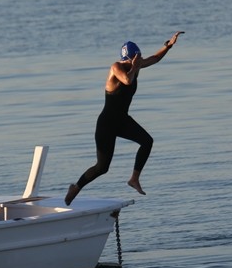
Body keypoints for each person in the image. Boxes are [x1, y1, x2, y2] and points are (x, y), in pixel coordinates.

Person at [65, 31, 184, 206]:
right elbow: (127, 81)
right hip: (106, 123)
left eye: (137, 58)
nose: (135, 62)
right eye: (132, 59)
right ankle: (76, 187)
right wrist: (135, 66)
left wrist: (167, 46)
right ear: (126, 59)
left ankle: (134, 178)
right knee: (102, 167)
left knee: (147, 141)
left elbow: (155, 59)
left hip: (122, 120)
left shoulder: (136, 64)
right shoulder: (116, 67)